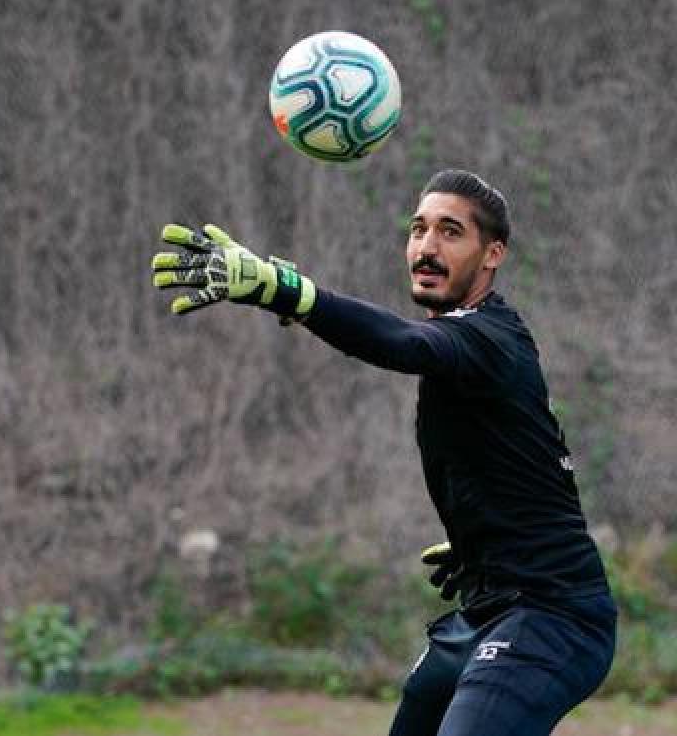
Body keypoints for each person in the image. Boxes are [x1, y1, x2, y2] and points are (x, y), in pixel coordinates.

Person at [151, 169, 615, 736]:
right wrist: (485, 536)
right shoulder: (465, 349)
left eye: (450, 232)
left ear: (492, 253)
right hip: (489, 606)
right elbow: (534, 461)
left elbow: (401, 342)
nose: (426, 247)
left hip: (553, 616)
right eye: (418, 229)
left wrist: (289, 291)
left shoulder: (488, 338)